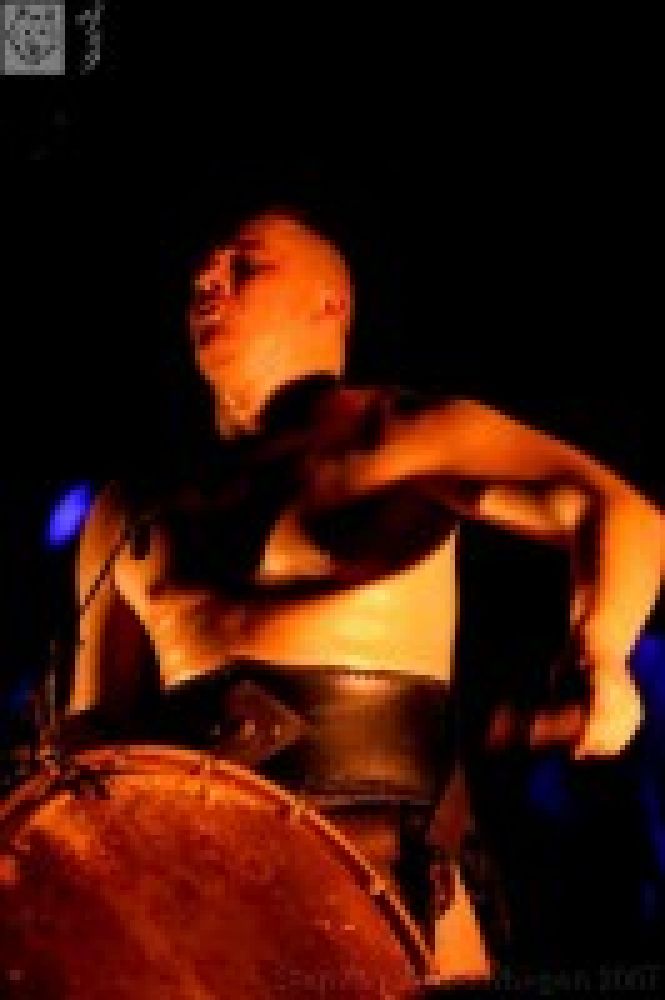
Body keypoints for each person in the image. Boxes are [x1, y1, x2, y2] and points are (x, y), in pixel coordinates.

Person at [65, 206, 663, 982]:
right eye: (203, 267)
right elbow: (95, 729)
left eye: (246, 263)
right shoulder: (128, 509)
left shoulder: (402, 435)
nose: (209, 277)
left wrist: (600, 649)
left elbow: (614, 510)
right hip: (197, 899)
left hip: (379, 878)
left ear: (331, 302)